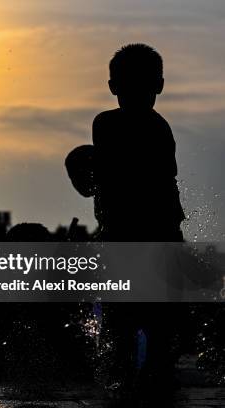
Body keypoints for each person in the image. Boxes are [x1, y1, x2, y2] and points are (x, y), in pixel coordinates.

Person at [89, 43, 185, 398]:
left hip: (125, 237)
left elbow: (104, 178)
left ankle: (126, 387)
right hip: (160, 236)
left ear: (112, 86)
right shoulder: (160, 127)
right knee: (159, 331)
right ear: (160, 85)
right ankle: (155, 383)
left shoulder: (106, 123)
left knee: (122, 330)